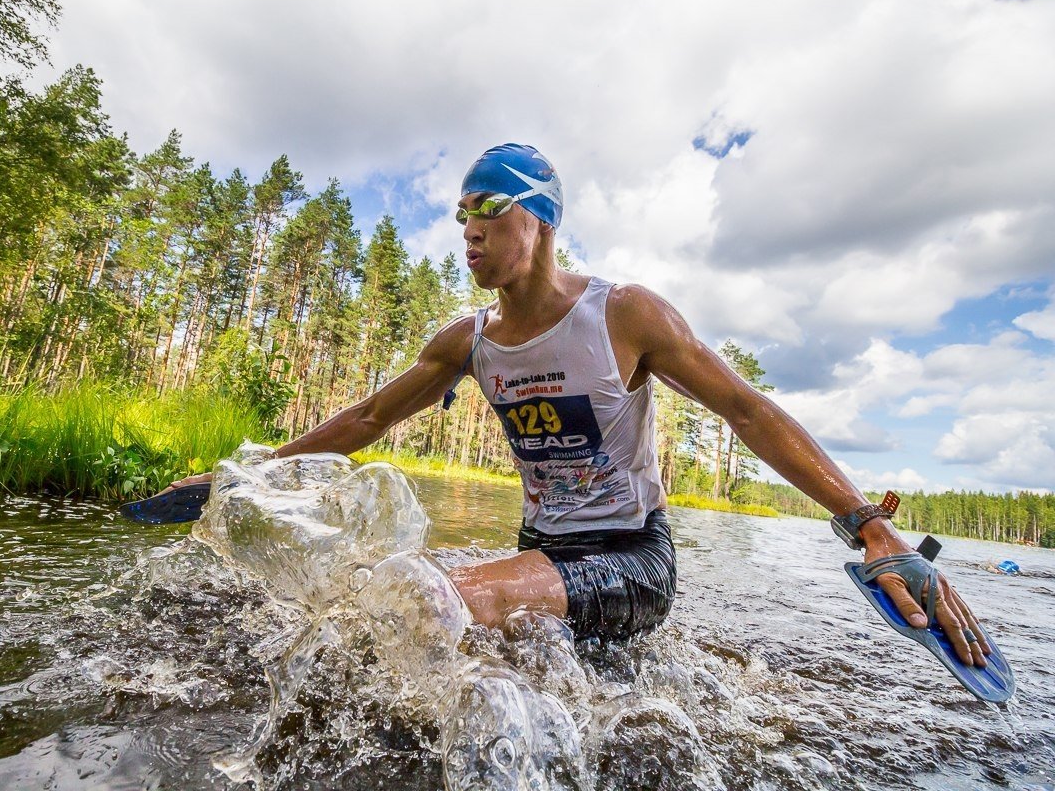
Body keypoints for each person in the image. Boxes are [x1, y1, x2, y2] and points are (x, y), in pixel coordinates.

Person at [166, 143, 990, 669]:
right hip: (545, 553)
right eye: (460, 217)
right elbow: (366, 420)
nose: (468, 230)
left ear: (543, 215)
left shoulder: (622, 315)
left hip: (633, 560)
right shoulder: (468, 341)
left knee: (422, 598)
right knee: (368, 590)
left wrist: (865, 522)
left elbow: (744, 409)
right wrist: (248, 480)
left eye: (488, 208)